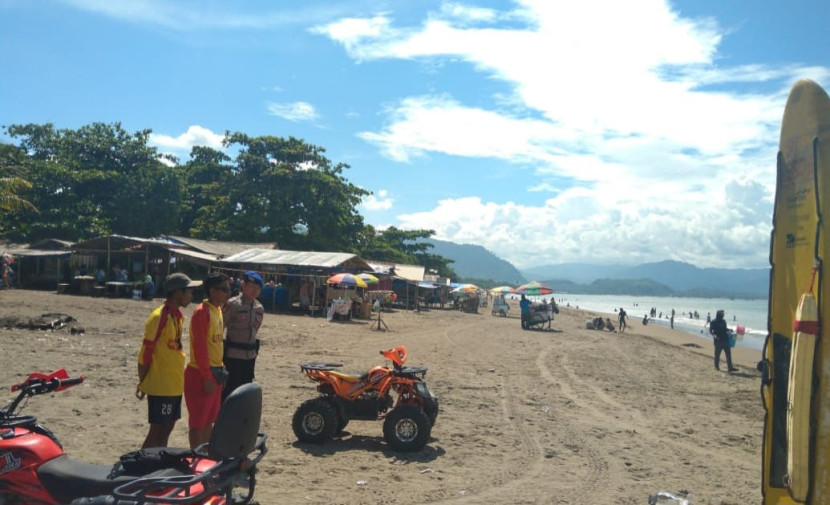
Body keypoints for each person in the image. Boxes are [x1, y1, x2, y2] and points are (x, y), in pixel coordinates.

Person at [135, 272, 199, 448]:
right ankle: (143, 465)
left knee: (168, 428)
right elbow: (145, 353)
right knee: (157, 430)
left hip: (174, 385)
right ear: (178, 293)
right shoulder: (158, 317)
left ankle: (157, 463)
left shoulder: (176, 317)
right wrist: (143, 382)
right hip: (161, 385)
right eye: (189, 292)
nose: (191, 296)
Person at [184, 272, 231, 449]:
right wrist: (206, 376)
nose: (227, 292)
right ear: (212, 291)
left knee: (209, 421)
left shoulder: (217, 310)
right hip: (200, 372)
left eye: (228, 288)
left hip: (215, 371)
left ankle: (204, 457)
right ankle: (196, 458)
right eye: (223, 289)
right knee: (198, 423)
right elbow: (200, 347)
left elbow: (216, 345)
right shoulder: (201, 312)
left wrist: (221, 371)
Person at [222, 271, 265, 402]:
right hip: (233, 357)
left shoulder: (259, 308)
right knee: (230, 391)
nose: (254, 291)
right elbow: (221, 326)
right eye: (251, 287)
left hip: (250, 356)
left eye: (257, 288)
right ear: (243, 285)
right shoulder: (232, 304)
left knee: (245, 391)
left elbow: (255, 329)